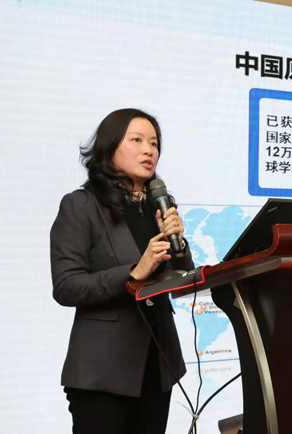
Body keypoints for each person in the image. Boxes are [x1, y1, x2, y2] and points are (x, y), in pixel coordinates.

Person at [50, 109, 195, 434]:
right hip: (103, 372)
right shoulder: (80, 205)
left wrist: (179, 245)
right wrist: (133, 273)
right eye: (137, 140)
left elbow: (183, 279)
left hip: (157, 365)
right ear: (109, 147)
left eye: (154, 143)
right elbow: (66, 285)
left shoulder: (159, 207)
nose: (149, 150)